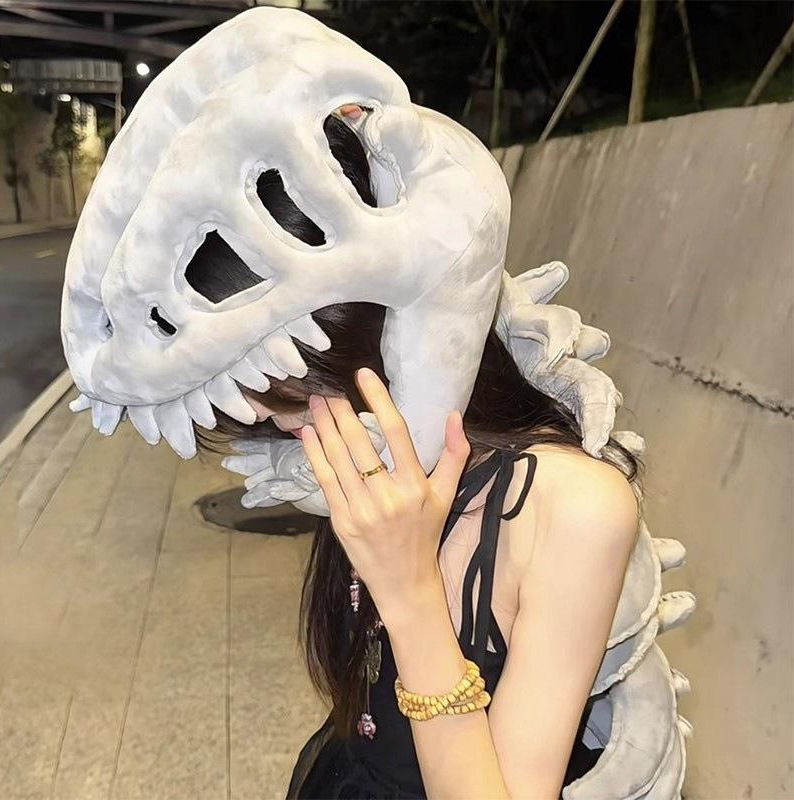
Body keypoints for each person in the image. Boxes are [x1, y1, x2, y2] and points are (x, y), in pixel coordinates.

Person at [191, 107, 642, 800]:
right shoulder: (372, 453)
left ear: (385, 335)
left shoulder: (576, 508)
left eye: (275, 381)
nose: (252, 414)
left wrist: (409, 590)